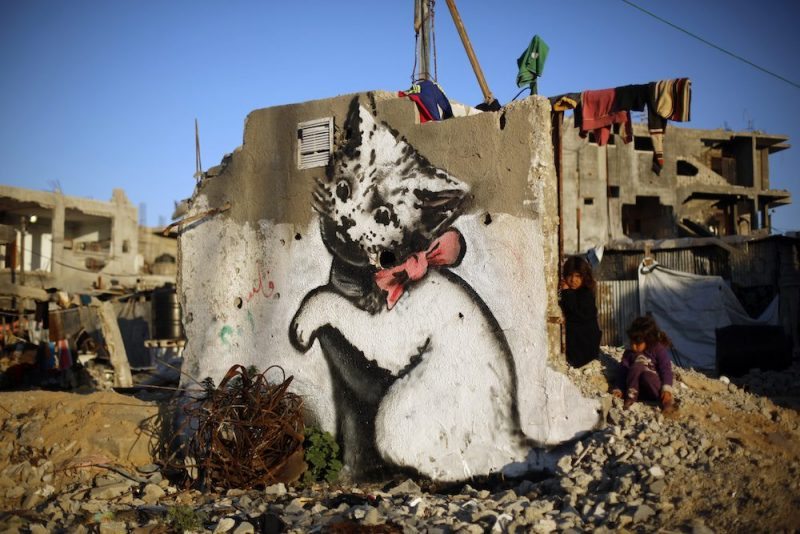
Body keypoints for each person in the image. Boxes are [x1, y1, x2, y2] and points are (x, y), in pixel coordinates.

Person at [612, 315, 675, 412]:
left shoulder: (657, 350)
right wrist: (618, 388)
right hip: (635, 391)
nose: (633, 346)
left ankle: (665, 402)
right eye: (631, 342)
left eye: (637, 343)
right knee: (636, 367)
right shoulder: (629, 354)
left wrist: (666, 390)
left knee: (645, 374)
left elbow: (665, 369)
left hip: (653, 388)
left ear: (648, 340)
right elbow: (622, 372)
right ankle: (630, 399)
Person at [558, 255, 602, 368]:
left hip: (585, 348)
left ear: (584, 277)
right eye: (570, 275)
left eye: (578, 276)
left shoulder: (586, 294)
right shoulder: (573, 292)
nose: (573, 280)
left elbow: (577, 314)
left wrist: (567, 293)